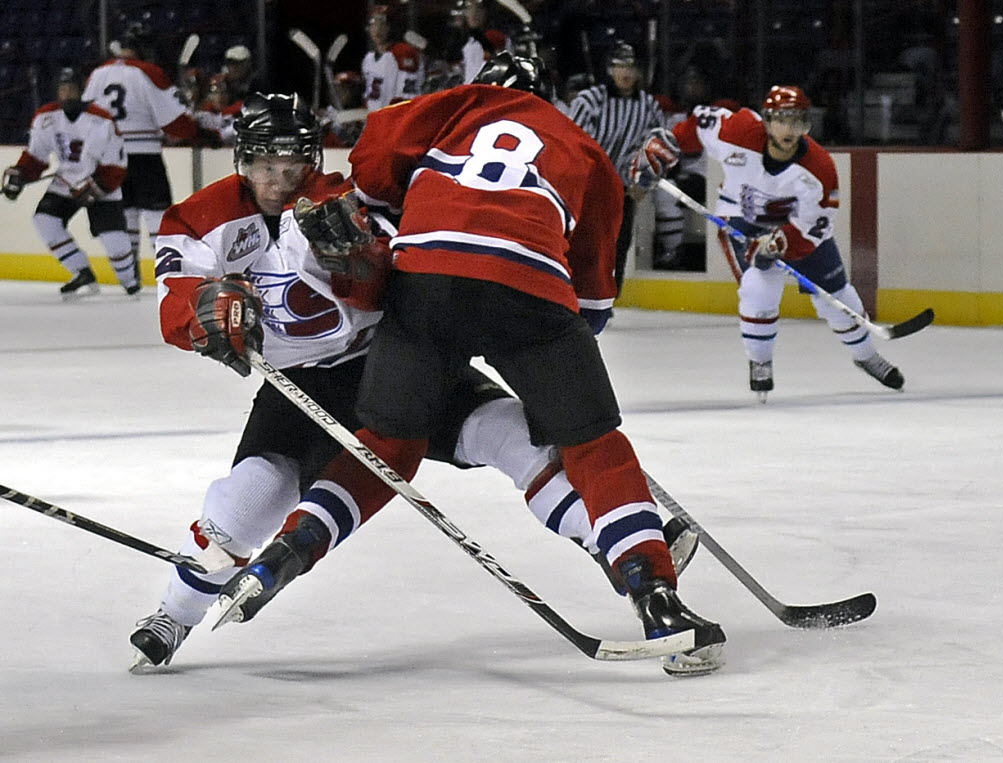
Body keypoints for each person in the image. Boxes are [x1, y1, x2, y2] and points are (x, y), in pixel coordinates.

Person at [129, 91, 698, 672]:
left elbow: (395, 279)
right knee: (247, 502)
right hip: (303, 385)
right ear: (241, 161)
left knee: (511, 434)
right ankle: (174, 615)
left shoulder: (339, 200)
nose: (279, 180)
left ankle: (618, 546)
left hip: (389, 357)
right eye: (264, 165)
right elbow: (176, 302)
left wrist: (362, 264)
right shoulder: (199, 219)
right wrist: (204, 311)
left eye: (292, 164)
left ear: (312, 159)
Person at [632, 85, 905, 399]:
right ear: (766, 120)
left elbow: (813, 227)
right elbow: (695, 126)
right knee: (759, 288)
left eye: (797, 121)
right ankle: (760, 361)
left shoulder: (819, 168)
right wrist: (663, 148)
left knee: (838, 295)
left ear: (806, 125)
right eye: (782, 120)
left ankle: (866, 356)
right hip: (742, 218)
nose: (789, 129)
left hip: (797, 229)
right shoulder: (738, 131)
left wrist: (779, 244)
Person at [1, 67, 139, 298]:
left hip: (100, 182)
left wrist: (96, 187)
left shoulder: (101, 120)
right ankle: (82, 272)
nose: (66, 94)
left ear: (82, 91)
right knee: (45, 220)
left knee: (114, 240)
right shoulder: (46, 117)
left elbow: (116, 165)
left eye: (72, 89)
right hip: (66, 181)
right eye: (62, 89)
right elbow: (36, 156)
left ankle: (129, 280)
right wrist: (21, 174)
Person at [82, 21, 201, 276]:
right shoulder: (148, 72)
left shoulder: (98, 74)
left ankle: (130, 273)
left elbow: (86, 117)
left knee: (128, 212)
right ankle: (167, 274)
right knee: (157, 213)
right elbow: (175, 122)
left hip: (111, 157)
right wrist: (197, 131)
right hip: (144, 156)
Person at [568, 42, 666, 293]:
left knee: (617, 246)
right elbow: (574, 145)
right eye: (620, 66)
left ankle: (608, 298)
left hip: (622, 190)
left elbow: (658, 148)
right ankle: (571, 295)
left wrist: (645, 182)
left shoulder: (649, 106)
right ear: (609, 69)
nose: (626, 72)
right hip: (587, 188)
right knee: (581, 243)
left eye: (631, 67)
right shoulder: (589, 101)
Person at [361, 5, 424, 113]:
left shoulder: (403, 52)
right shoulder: (368, 59)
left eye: (382, 24)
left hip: (397, 117)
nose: (377, 29)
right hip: (376, 117)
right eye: (373, 24)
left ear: (392, 27)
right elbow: (370, 98)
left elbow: (406, 97)